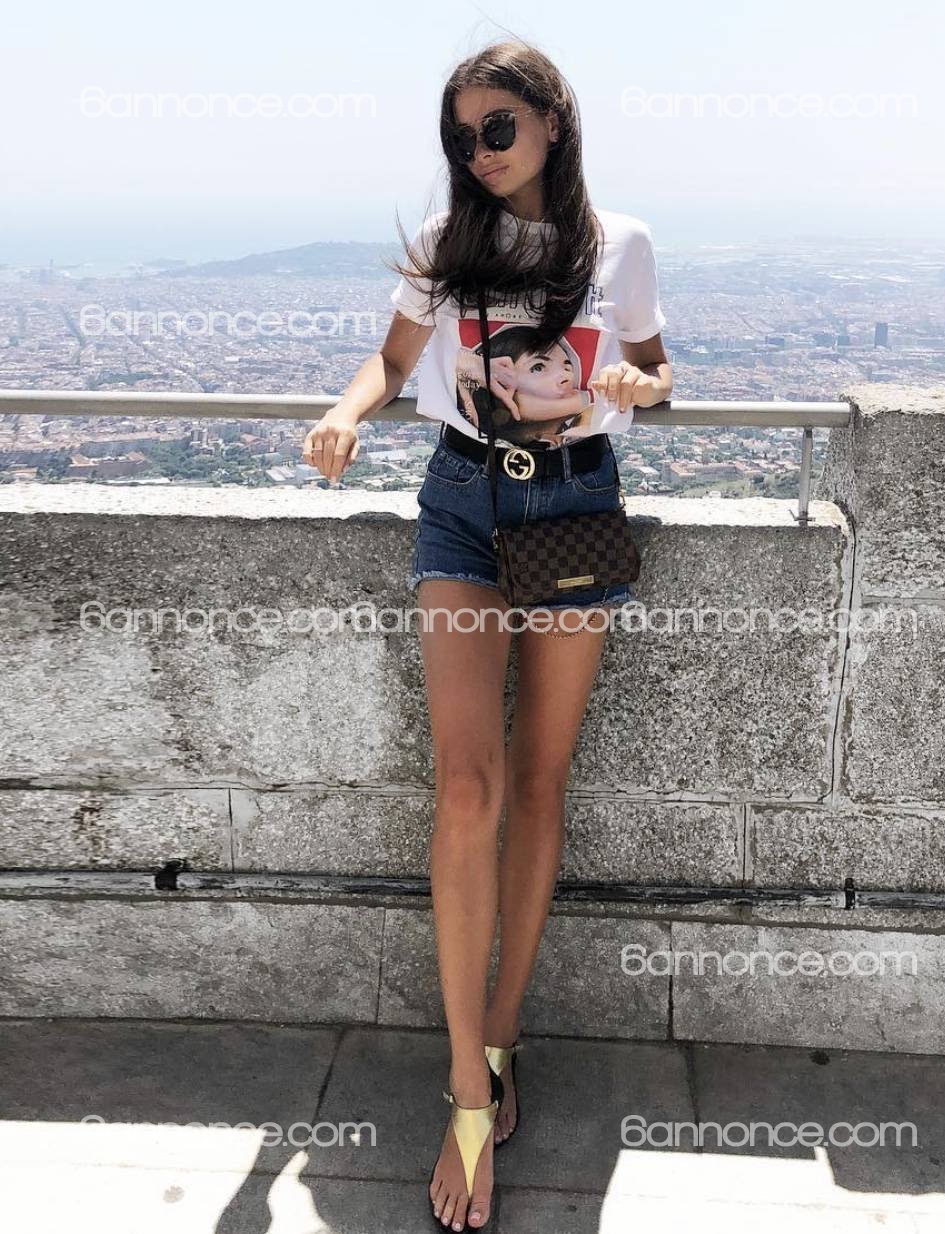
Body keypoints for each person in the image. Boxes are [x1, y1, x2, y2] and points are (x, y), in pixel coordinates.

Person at [302, 38, 672, 1232]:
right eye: (461, 135)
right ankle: (466, 1083)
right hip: (463, 501)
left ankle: (504, 1036)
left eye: (497, 128)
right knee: (468, 786)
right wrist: (344, 411)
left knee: (543, 778)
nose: (478, 152)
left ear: (552, 122)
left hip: (574, 502)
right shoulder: (442, 241)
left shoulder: (617, 243)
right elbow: (392, 359)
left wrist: (638, 387)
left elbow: (656, 367)